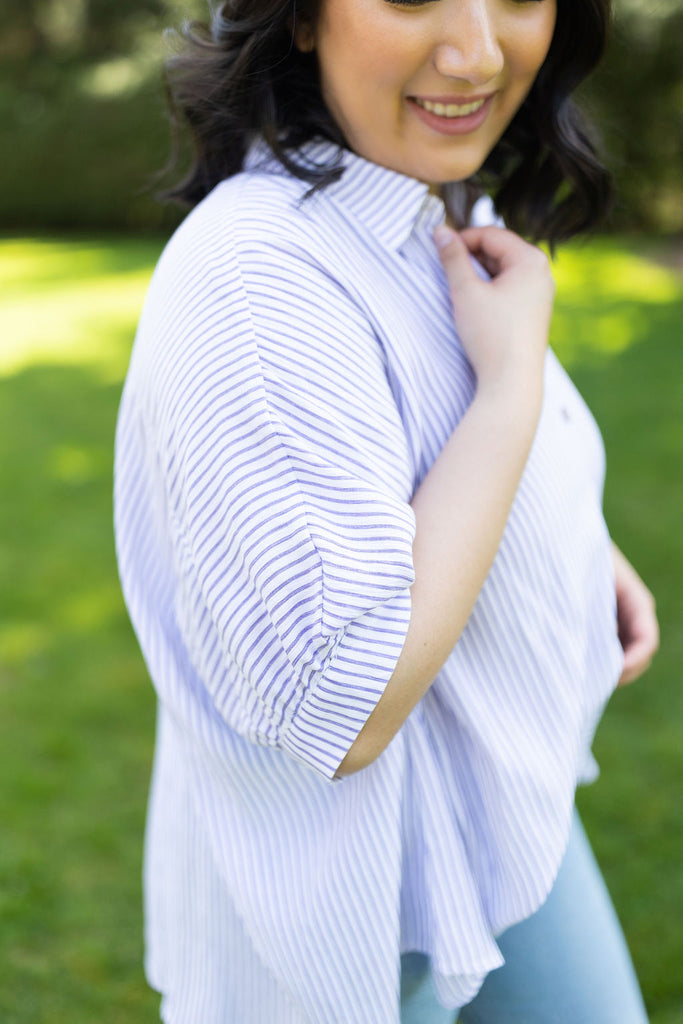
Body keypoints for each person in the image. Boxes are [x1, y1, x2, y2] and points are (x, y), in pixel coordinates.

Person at [113, 0, 660, 1020]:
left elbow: (422, 464)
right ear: (302, 19)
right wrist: (509, 390)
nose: (476, 51)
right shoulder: (254, 278)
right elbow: (346, 696)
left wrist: (580, 548)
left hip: (493, 805)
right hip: (356, 908)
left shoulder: (429, 199)